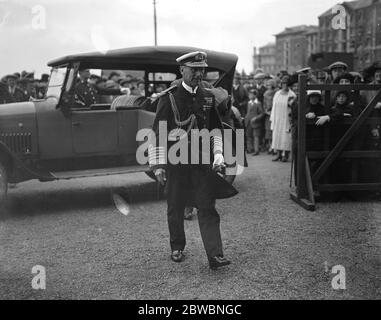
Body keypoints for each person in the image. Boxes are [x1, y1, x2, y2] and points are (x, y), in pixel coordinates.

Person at [148, 51, 237, 270]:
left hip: (201, 164)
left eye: (202, 70)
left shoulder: (207, 96)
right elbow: (157, 132)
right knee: (175, 207)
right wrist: (158, 166)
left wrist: (218, 154)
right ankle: (177, 246)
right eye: (194, 69)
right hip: (175, 163)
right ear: (182, 70)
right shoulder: (168, 97)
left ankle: (215, 255)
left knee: (207, 207)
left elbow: (216, 129)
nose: (199, 74)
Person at [270, 76, 296, 162]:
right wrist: (273, 118)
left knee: (286, 137)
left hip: (286, 119)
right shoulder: (277, 94)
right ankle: (279, 154)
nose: (285, 85)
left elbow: (293, 108)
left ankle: (286, 155)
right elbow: (274, 106)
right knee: (277, 135)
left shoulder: (292, 95)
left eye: (287, 84)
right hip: (277, 118)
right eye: (283, 84)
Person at [245, 89, 264, 155]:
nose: (249, 96)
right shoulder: (249, 103)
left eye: (251, 94)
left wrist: (256, 118)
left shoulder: (258, 103)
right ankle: (250, 149)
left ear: (255, 95)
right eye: (249, 94)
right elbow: (248, 112)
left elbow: (262, 113)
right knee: (249, 136)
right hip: (249, 122)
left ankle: (256, 150)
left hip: (256, 122)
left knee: (256, 136)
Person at [263, 79, 278, 154]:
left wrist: (272, 111)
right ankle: (270, 147)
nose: (268, 86)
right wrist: (266, 110)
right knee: (268, 131)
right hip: (267, 115)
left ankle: (274, 147)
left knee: (274, 131)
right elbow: (264, 103)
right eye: (267, 85)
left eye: (270, 84)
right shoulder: (265, 93)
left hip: (274, 114)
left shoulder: (276, 93)